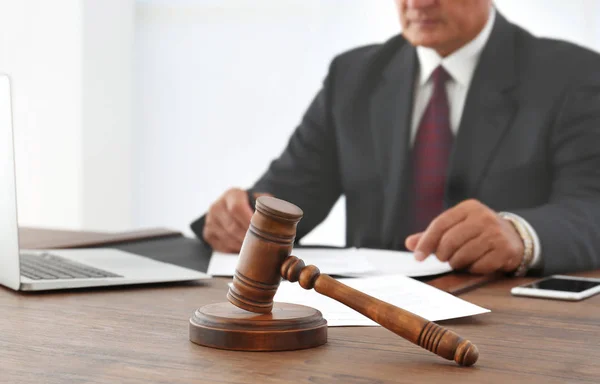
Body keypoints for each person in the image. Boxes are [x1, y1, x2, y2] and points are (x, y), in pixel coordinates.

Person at [191, 0, 600, 278]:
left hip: (509, 324)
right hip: (369, 320)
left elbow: (591, 206)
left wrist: (522, 236)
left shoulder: (572, 76)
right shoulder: (353, 76)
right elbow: (290, 195)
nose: (418, 1)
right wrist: (237, 218)